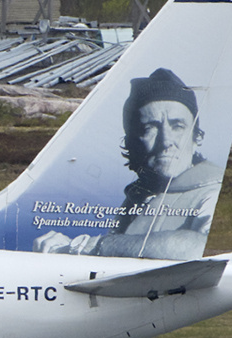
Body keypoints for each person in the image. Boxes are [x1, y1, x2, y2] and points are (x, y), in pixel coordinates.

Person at [34, 67, 221, 259]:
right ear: (132, 141)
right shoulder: (140, 196)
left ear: (196, 137)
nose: (166, 141)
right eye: (150, 128)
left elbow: (201, 248)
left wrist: (89, 246)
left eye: (178, 126)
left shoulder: (211, 193)